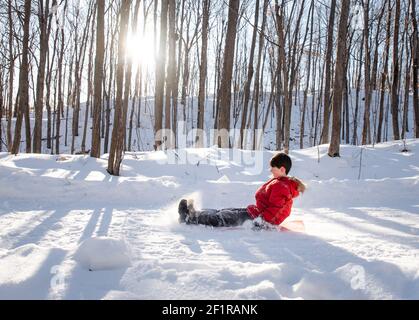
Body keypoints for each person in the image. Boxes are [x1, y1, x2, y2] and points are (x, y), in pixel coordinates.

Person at [178, 152, 306, 229]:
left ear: (282, 169)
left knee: (222, 218)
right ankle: (194, 213)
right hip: (255, 212)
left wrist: (260, 224)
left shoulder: (282, 187)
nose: (271, 170)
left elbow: (276, 212)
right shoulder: (281, 183)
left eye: (273, 168)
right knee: (223, 211)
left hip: (257, 219)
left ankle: (189, 218)